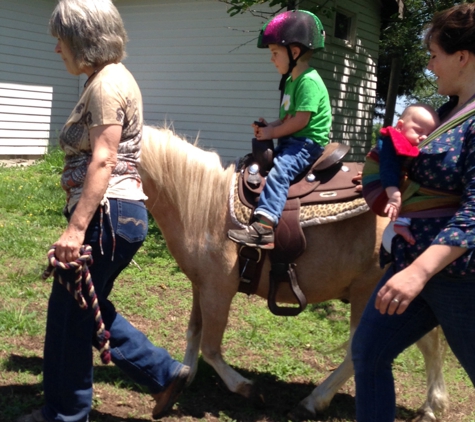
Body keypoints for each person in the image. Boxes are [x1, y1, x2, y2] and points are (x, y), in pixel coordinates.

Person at [17, 1, 189, 421]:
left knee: (69, 323)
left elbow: (104, 158)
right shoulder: (108, 79)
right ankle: (163, 372)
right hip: (119, 217)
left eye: (61, 39)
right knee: (82, 308)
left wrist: (76, 230)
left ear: (82, 38)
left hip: (104, 217)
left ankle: (66, 413)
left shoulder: (107, 85)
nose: (57, 48)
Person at [352, 3, 475, 421]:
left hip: (460, 280)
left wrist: (419, 272)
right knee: (368, 353)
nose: (429, 65)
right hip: (413, 269)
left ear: (462, 57)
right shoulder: (445, 115)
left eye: (434, 55)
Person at [227, 10, 332, 249]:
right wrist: (269, 126)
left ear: (294, 53)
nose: (272, 59)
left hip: (306, 143)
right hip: (293, 139)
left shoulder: (308, 81)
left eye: (275, 53)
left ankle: (264, 226)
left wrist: (272, 134)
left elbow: (301, 122)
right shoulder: (292, 81)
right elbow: (288, 118)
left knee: (280, 173)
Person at [374, 104, 440, 253]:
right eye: (418, 131)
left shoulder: (409, 143)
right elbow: (388, 168)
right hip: (389, 183)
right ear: (399, 126)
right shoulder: (390, 142)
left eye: (428, 135)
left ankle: (403, 221)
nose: (423, 137)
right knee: (410, 193)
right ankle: (401, 222)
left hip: (396, 181)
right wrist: (393, 194)